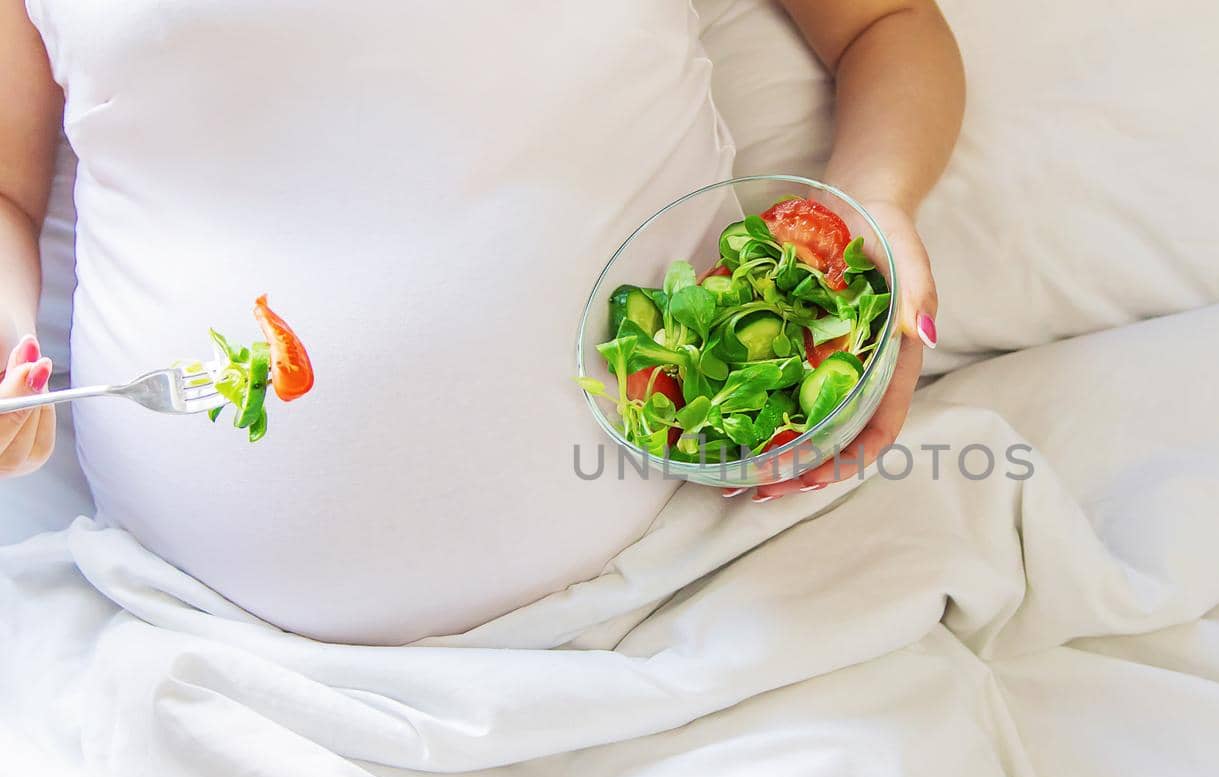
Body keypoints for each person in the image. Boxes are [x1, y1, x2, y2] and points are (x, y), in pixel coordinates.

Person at [0, 0, 964, 643]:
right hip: (178, 651)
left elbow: (885, 21)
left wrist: (873, 206)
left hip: (699, 603)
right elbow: (8, 191)